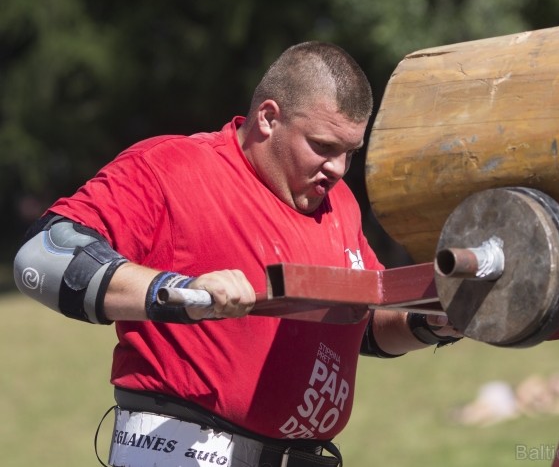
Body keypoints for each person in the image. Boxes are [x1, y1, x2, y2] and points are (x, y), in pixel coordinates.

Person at [13, 41, 461, 467]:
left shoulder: (338, 202)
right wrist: (179, 291)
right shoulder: (173, 167)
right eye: (323, 147)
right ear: (268, 118)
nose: (339, 169)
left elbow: (363, 326)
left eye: (350, 153)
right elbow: (43, 256)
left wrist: (439, 319)